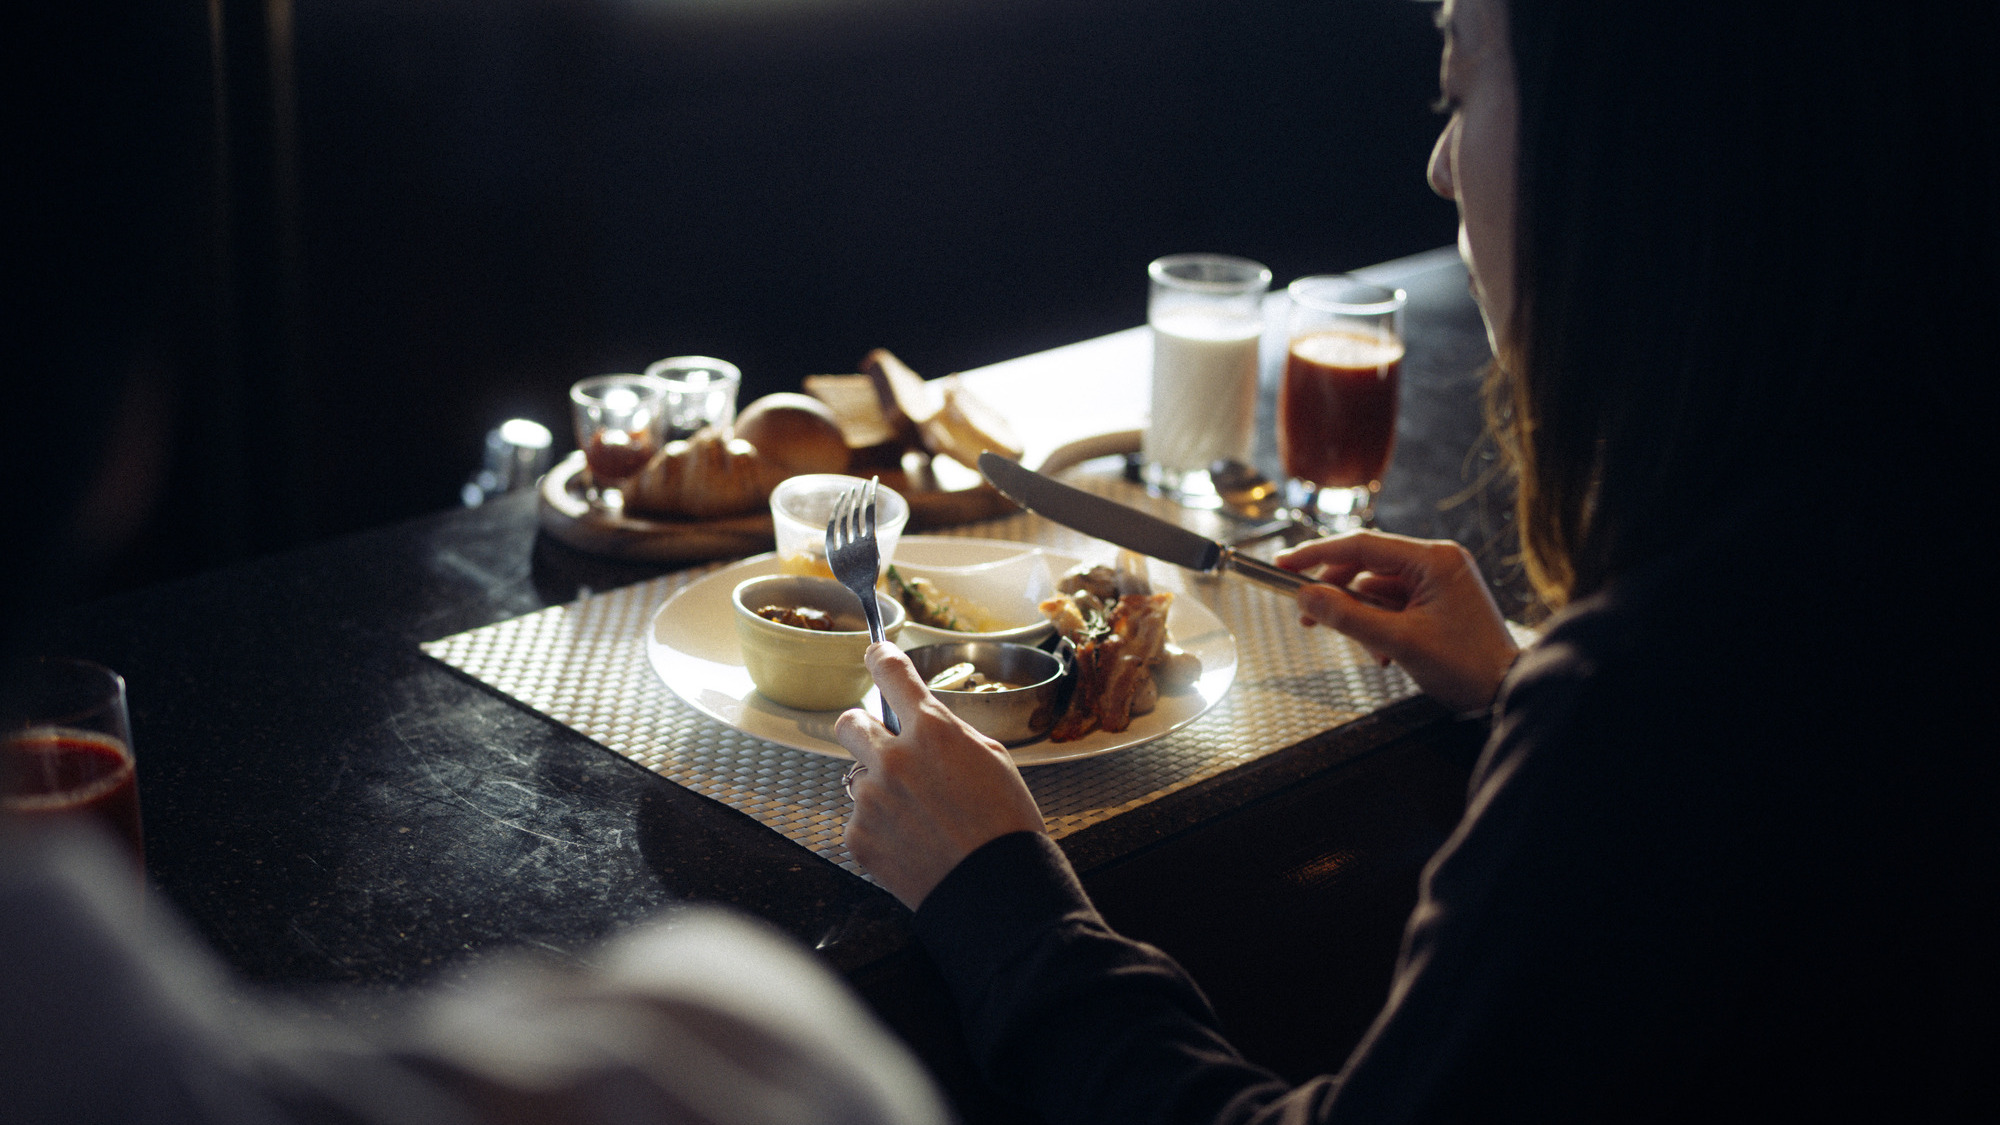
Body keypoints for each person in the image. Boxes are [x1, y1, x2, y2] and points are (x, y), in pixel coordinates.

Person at [834, 0, 1996, 1121]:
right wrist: (1508, 688)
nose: (1441, 168)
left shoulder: (1655, 688)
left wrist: (994, 895)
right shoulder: (1900, 544)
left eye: (1457, 90)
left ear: (1631, 149)